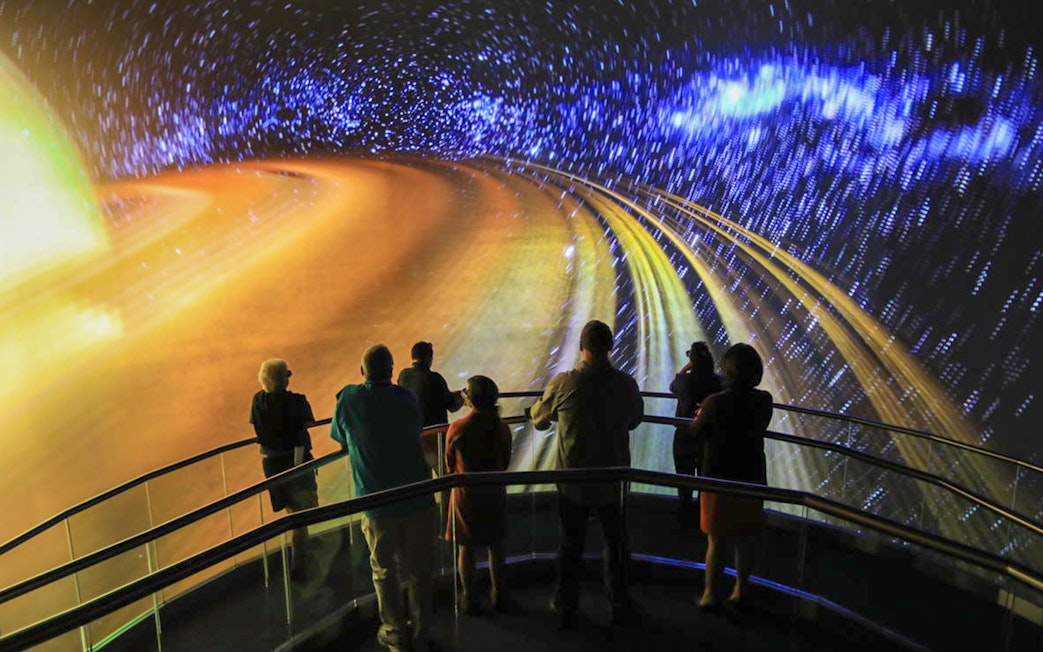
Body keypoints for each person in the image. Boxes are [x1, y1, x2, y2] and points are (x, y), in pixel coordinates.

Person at [529, 320, 644, 628]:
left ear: (582, 348)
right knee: (616, 542)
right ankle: (619, 602)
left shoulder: (564, 383)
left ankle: (566, 603)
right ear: (611, 347)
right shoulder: (625, 383)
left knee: (570, 542)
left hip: (574, 481)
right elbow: (635, 419)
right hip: (613, 479)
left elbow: (539, 419)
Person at [331, 345, 438, 652]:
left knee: (384, 571)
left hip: (377, 504)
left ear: (361, 371)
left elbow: (340, 438)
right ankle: (423, 632)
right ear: (393, 372)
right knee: (420, 570)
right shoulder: (406, 398)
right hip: (418, 497)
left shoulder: (349, 398)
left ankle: (395, 633)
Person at [690, 343, 773, 609]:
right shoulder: (764, 401)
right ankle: (740, 591)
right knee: (746, 538)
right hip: (752, 476)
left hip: (717, 477)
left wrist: (701, 413)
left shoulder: (715, 402)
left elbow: (695, 431)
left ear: (727, 370)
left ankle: (710, 594)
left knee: (716, 539)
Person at [443, 375, 512, 614]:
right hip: (493, 490)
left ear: (469, 399)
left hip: (466, 494)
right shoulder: (502, 427)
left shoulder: (458, 428)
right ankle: (499, 594)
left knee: (466, 548)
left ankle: (469, 597)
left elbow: (449, 464)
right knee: (496, 545)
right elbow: (504, 463)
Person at [249, 358, 317, 573]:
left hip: (273, 466)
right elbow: (308, 422)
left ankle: (302, 553)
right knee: (300, 515)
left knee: (293, 512)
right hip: (297, 464)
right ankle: (300, 563)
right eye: (287, 374)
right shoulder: (296, 401)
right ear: (283, 379)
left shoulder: (257, 401)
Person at [669, 342, 723, 518]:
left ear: (692, 359)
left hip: (684, 435)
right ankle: (702, 515)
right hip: (707, 436)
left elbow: (672, 387)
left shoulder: (684, 380)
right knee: (704, 478)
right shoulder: (718, 381)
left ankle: (685, 514)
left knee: (684, 478)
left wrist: (687, 367)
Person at [398, 341, 465, 473]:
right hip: (435, 439)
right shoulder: (435, 379)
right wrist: (463, 395)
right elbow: (452, 406)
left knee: (424, 482)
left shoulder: (404, 376)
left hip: (414, 440)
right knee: (446, 477)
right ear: (429, 358)